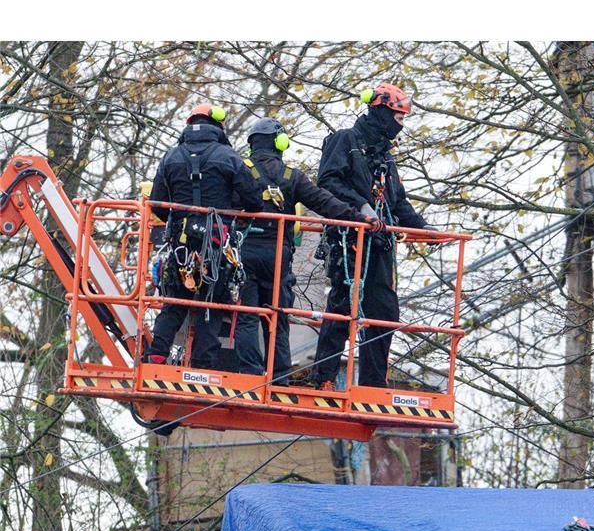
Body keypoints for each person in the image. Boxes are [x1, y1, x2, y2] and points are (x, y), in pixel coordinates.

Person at [307, 83, 429, 390]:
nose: (400, 127)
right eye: (398, 118)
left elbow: (397, 202)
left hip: (379, 243)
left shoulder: (385, 158)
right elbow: (328, 182)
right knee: (342, 306)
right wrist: (360, 208)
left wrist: (425, 229)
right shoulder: (345, 141)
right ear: (382, 112)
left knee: (384, 311)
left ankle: (373, 384)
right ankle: (322, 378)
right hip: (349, 238)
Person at [233, 117, 375, 380]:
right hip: (278, 257)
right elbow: (325, 202)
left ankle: (250, 374)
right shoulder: (291, 177)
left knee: (248, 315)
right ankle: (279, 377)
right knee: (278, 317)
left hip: (246, 253)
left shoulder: (240, 171)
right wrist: (358, 217)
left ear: (252, 144)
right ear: (280, 143)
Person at [143, 104, 263, 369]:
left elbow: (157, 203)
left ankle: (156, 355)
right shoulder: (229, 157)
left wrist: (177, 223)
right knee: (212, 303)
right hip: (217, 243)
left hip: (181, 244)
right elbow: (254, 201)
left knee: (174, 301)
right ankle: (201, 364)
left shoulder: (170, 157)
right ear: (218, 127)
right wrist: (232, 213)